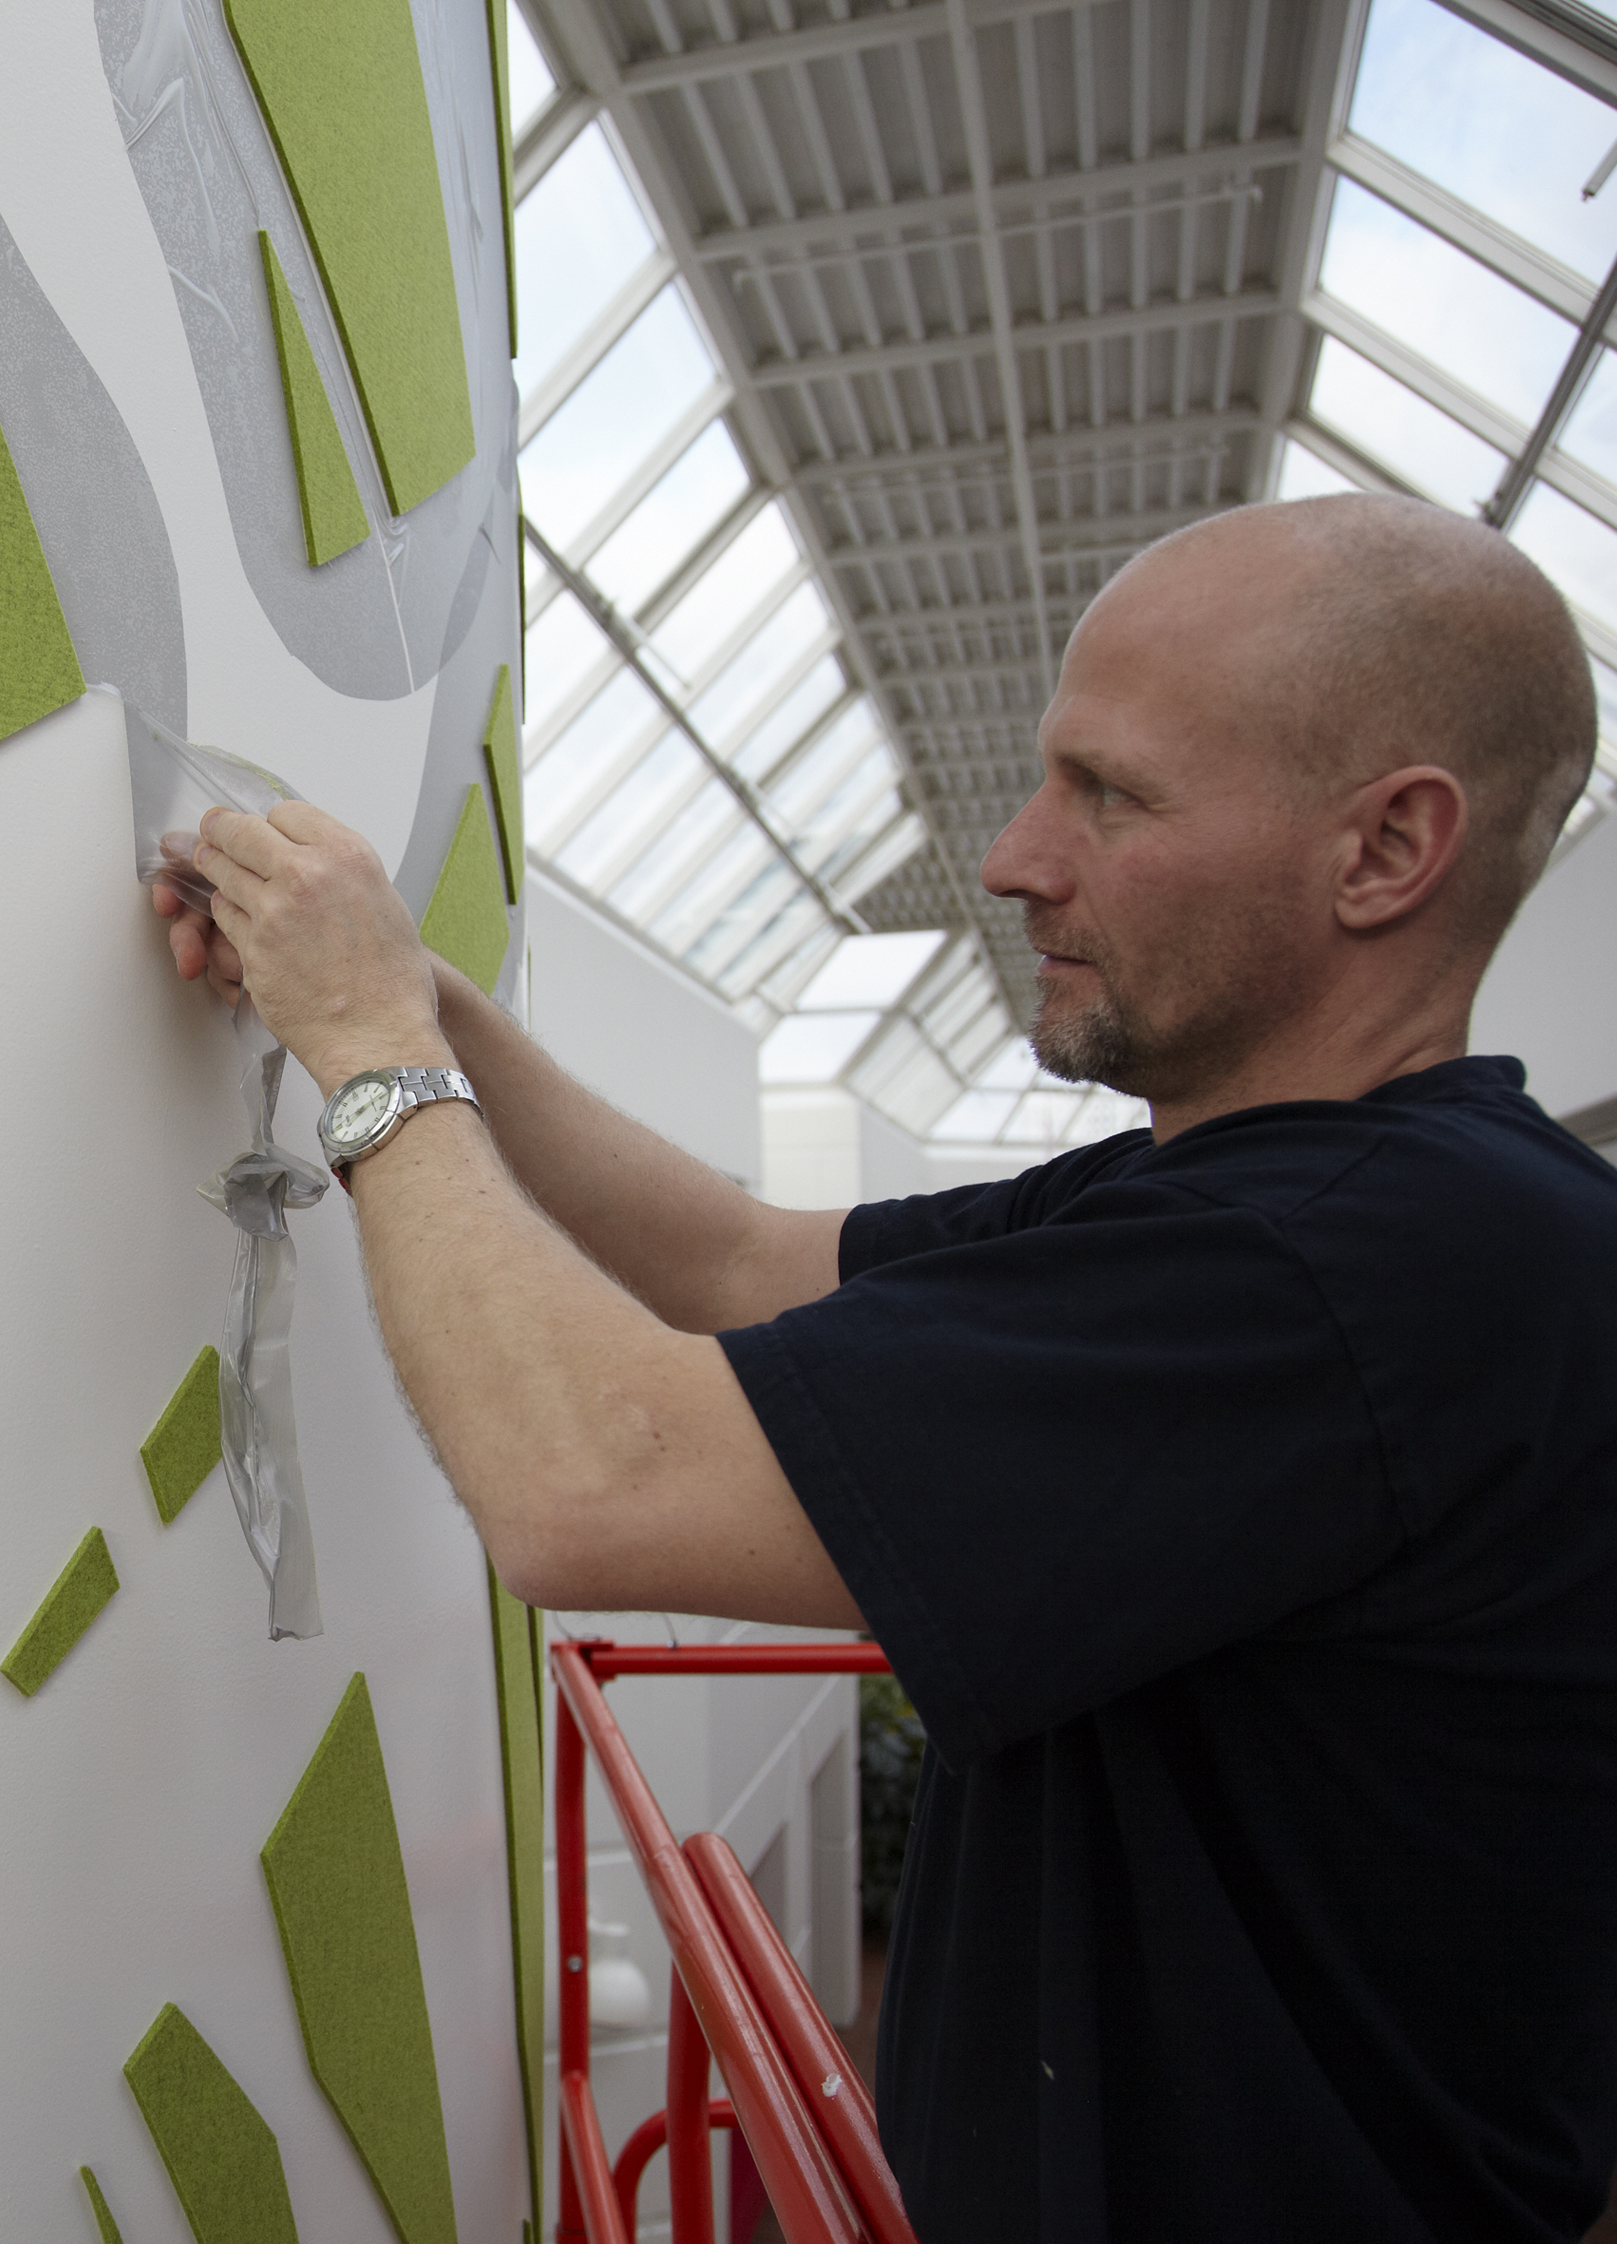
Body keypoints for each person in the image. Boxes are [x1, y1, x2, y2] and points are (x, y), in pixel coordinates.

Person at [154, 493, 1617, 2242]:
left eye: (1113, 794)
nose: (1013, 856)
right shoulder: (1268, 1194)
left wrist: (375, 1053)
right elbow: (740, 1262)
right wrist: (430, 1000)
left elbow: (587, 1487)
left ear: (1387, 850)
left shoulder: (1355, 1263)